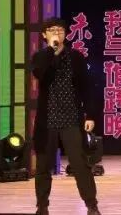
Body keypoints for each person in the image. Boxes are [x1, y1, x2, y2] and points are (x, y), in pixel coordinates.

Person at [30, 17, 102, 215]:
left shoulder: (76, 57)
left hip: (71, 118)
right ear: (44, 35)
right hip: (48, 120)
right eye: (52, 30)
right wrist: (52, 52)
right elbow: (41, 75)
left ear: (66, 35)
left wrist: (90, 114)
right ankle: (42, 206)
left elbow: (86, 87)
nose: (57, 34)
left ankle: (92, 205)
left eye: (60, 31)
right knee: (43, 166)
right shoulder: (39, 57)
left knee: (80, 165)